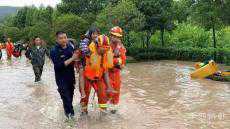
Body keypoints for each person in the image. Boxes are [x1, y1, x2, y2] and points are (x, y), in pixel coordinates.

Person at [80, 34, 113, 115]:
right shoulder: (86, 53)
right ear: (97, 46)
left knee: (103, 96)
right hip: (86, 78)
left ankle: (103, 116)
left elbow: (105, 72)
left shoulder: (106, 53)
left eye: (106, 49)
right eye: (102, 49)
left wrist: (109, 86)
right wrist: (82, 90)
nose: (104, 51)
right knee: (84, 98)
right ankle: (84, 114)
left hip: (99, 77)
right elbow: (81, 74)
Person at [50, 31, 78, 120]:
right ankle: (70, 118)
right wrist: (72, 58)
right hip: (61, 79)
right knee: (66, 98)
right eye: (61, 38)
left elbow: (75, 59)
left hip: (71, 77)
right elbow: (58, 66)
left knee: (70, 98)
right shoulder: (54, 50)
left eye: (65, 37)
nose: (63, 40)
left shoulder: (70, 47)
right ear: (57, 39)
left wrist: (77, 64)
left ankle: (68, 112)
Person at [108, 26, 126, 113]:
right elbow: (106, 61)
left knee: (116, 93)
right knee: (107, 93)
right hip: (107, 73)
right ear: (110, 35)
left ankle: (114, 111)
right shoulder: (106, 45)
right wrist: (116, 60)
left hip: (116, 73)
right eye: (113, 35)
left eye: (117, 36)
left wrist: (118, 62)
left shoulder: (121, 47)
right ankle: (105, 111)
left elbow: (122, 64)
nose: (114, 38)